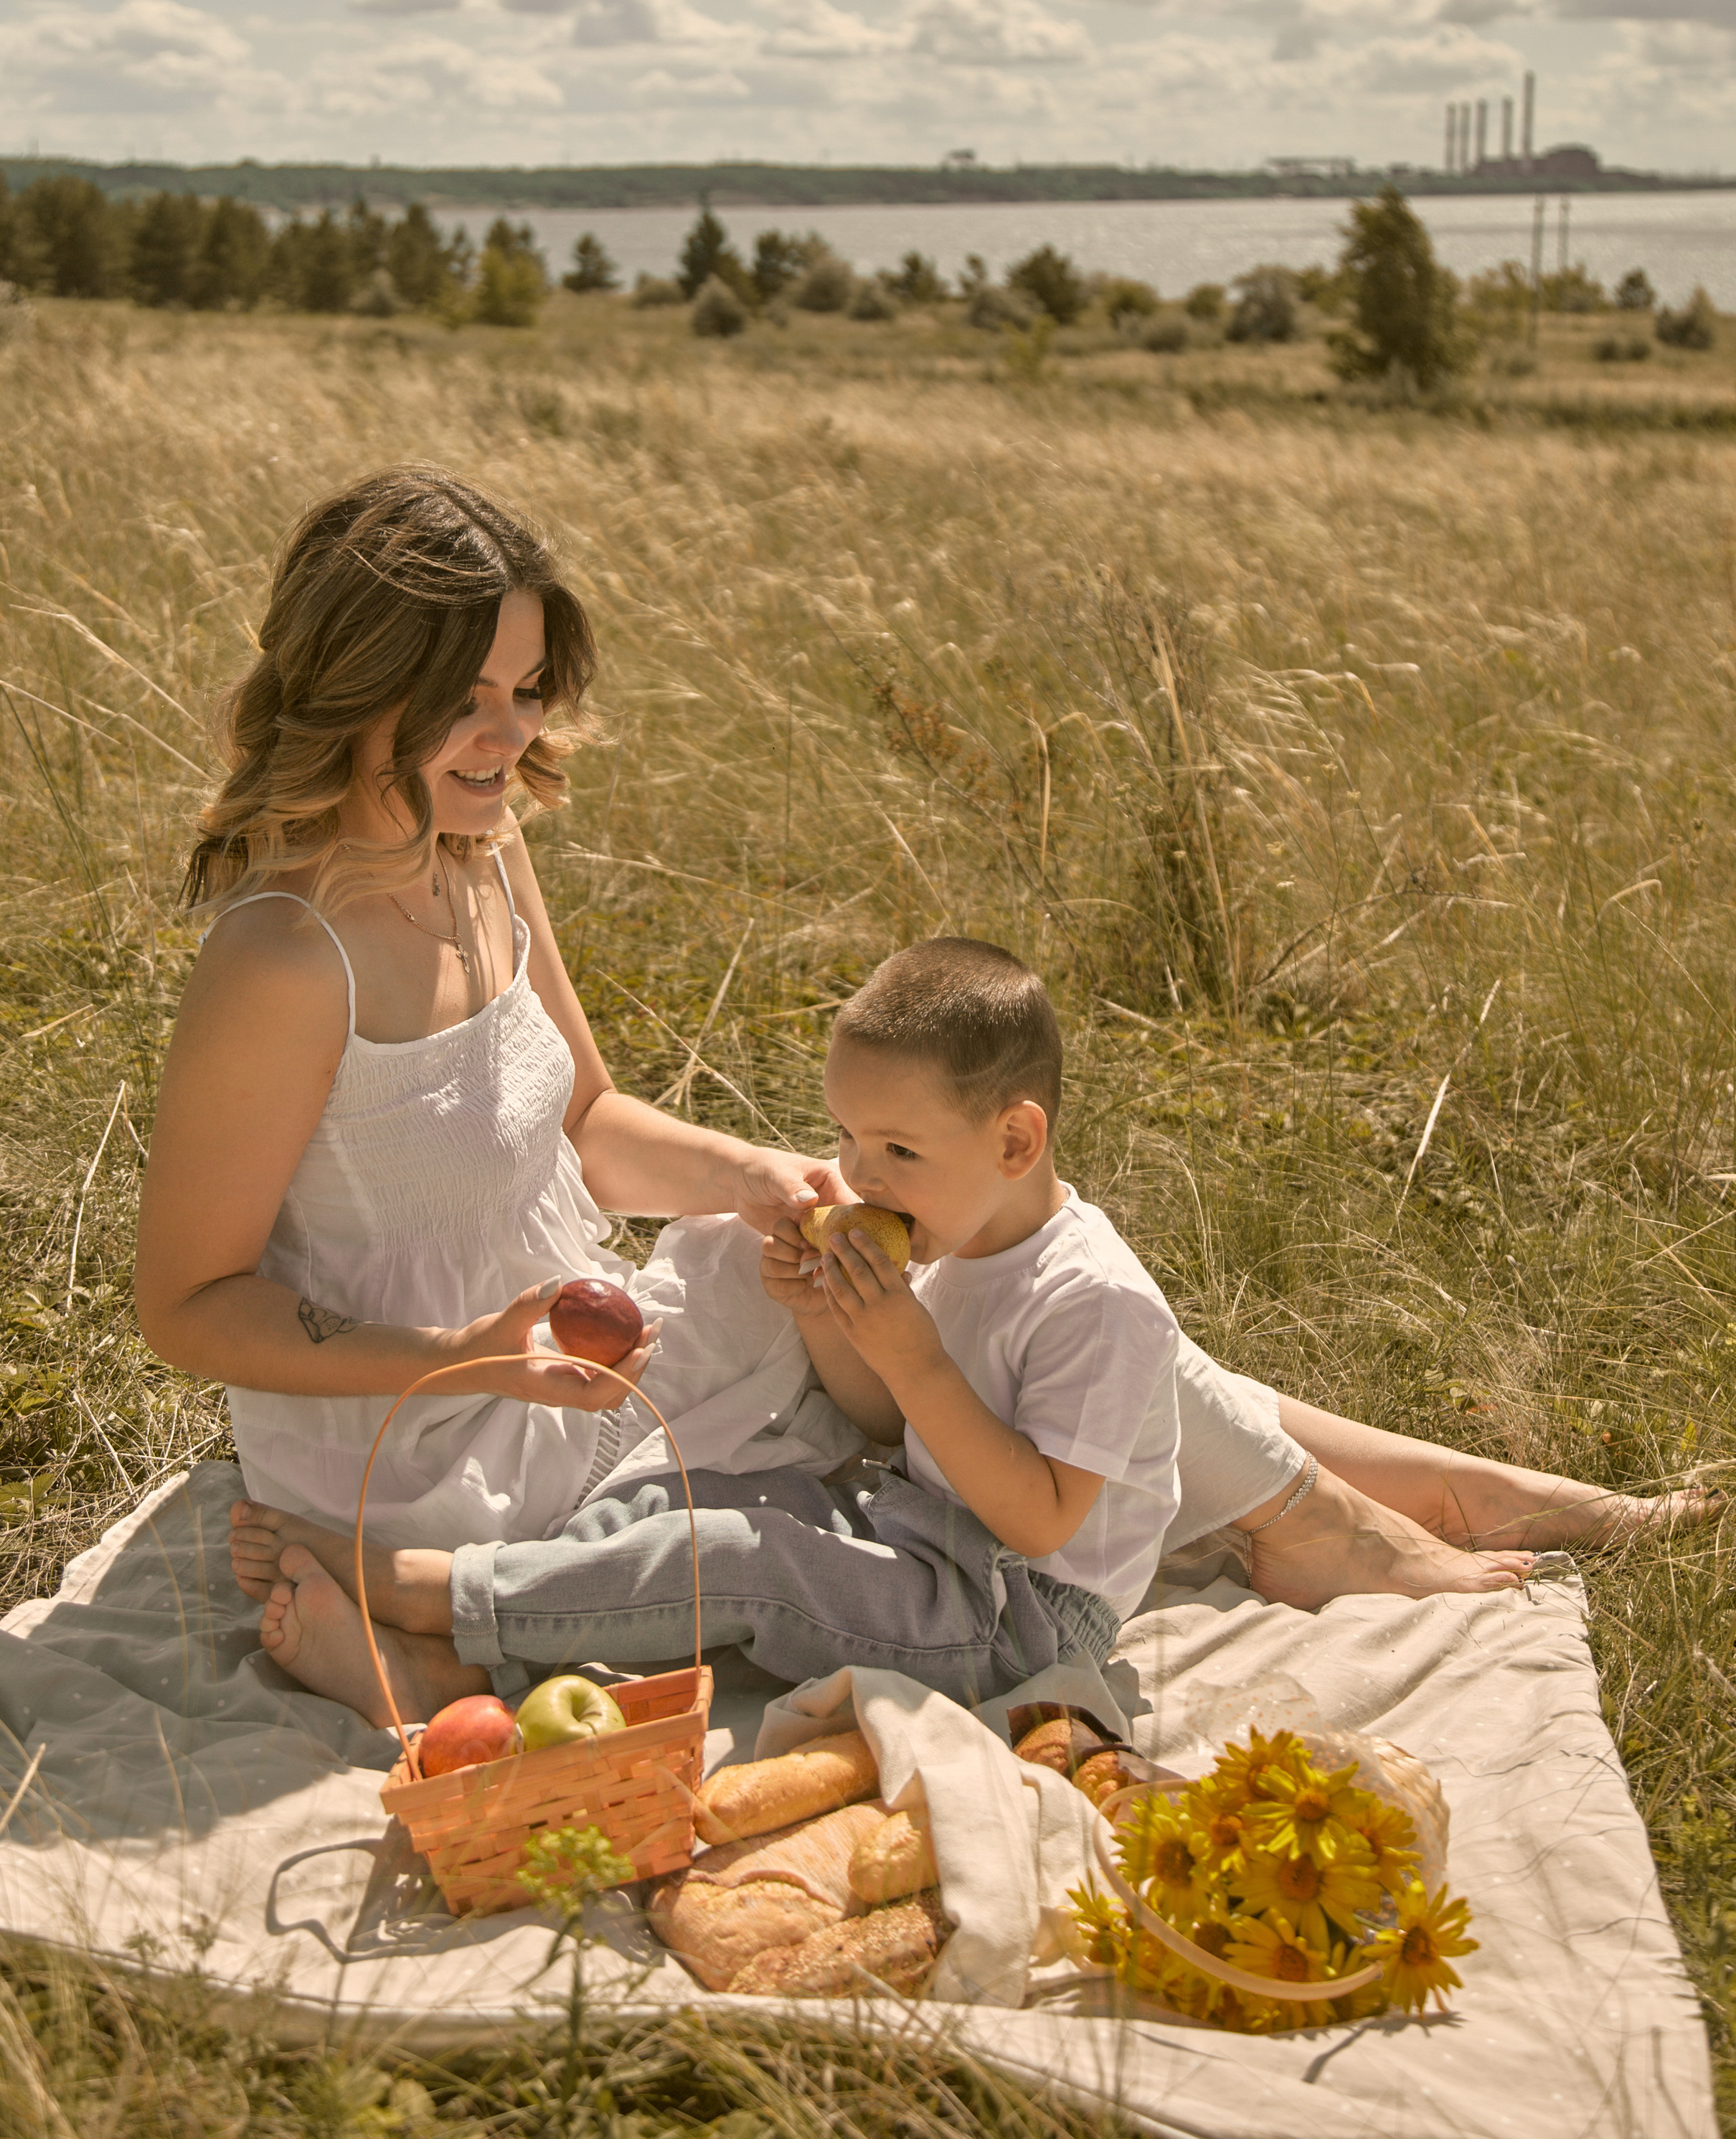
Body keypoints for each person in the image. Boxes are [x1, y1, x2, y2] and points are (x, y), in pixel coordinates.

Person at [136, 468, 1706, 1691]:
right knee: (948, 1295)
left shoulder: (481, 851)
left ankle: (1387, 1501)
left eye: (526, 690)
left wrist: (767, 1179)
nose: (506, 737)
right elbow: (187, 1305)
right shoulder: (285, 960)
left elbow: (588, 1129)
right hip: (422, 1442)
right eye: (463, 700)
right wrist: (462, 1355)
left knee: (956, 1250)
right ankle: (1350, 1520)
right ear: (356, 685)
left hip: (568, 1353)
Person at [232, 937, 1187, 1715]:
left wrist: (914, 1355)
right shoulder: (951, 1234)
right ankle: (468, 1667)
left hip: (1017, 1615)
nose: (865, 1177)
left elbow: (1037, 1517)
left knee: (749, 1563)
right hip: (915, 1529)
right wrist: (824, 1320)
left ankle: (434, 1596)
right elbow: (892, 1429)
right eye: (849, 1139)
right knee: (690, 1501)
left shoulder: (1097, 1302)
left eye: (898, 1150)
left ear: (1015, 1141)